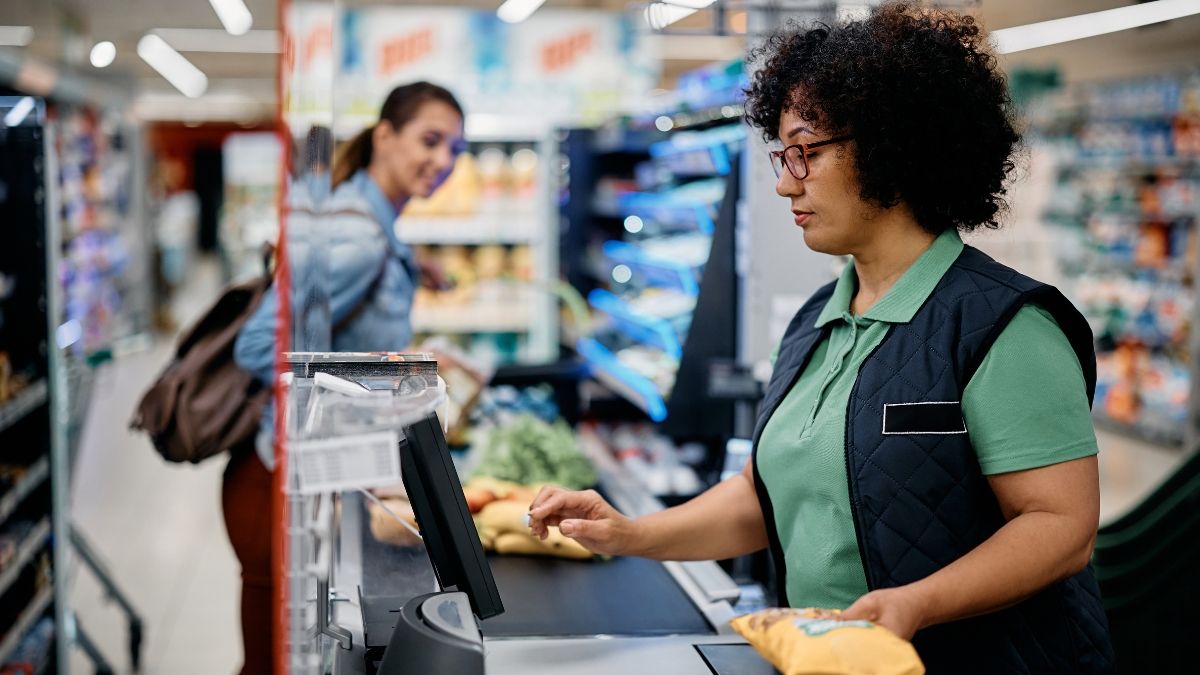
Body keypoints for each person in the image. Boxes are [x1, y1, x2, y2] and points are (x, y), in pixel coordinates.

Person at [528, 4, 1114, 672]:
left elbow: (1061, 527)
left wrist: (916, 603)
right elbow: (764, 490)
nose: (784, 182)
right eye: (784, 154)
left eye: (805, 151)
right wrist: (629, 532)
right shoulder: (816, 320)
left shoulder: (1004, 326)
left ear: (894, 144)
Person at [224, 81, 464, 675]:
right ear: (384, 135)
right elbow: (258, 349)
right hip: (273, 485)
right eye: (430, 141)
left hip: (300, 478)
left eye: (455, 149)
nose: (443, 161)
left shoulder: (369, 219)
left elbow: (330, 330)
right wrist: (405, 370)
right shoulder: (359, 235)